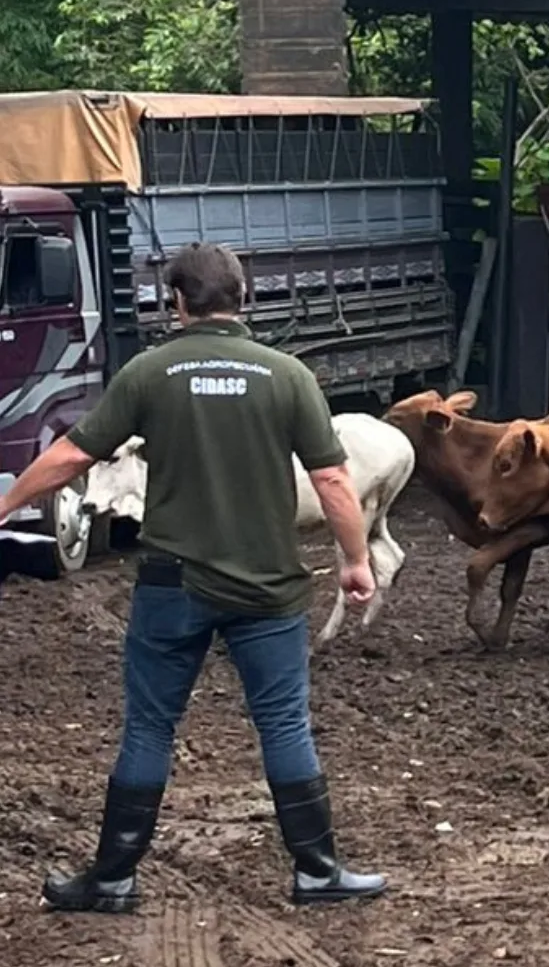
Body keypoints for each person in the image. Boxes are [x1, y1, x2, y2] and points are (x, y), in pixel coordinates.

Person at [0, 242, 387, 912]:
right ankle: (318, 872)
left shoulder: (151, 372)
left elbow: (72, 455)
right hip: (268, 587)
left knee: (150, 728)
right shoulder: (287, 375)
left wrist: (5, 503)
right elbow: (331, 479)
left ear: (177, 302)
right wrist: (355, 560)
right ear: (244, 298)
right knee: (284, 725)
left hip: (171, 586)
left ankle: (113, 879)